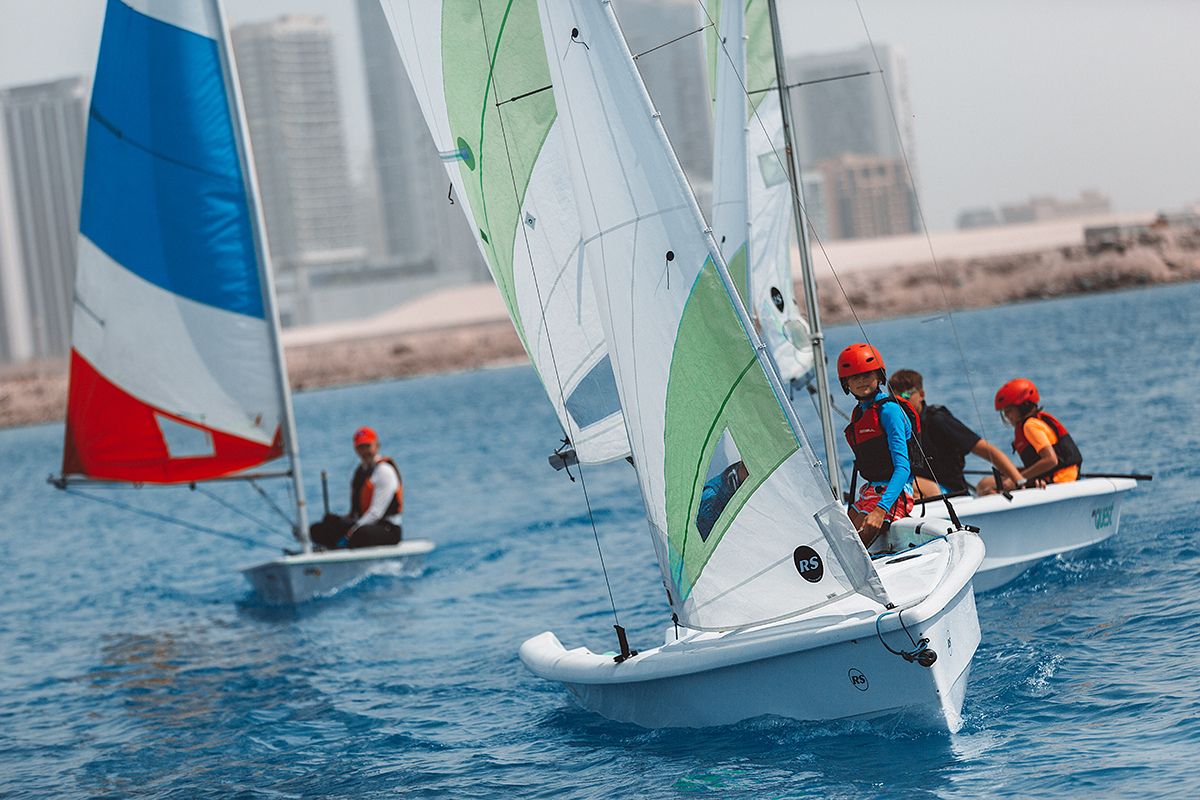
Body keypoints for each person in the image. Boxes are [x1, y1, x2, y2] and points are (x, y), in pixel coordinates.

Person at [887, 369, 1024, 497]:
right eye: (895, 400)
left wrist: (1019, 481)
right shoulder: (895, 427)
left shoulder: (937, 419)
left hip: (952, 493)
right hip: (925, 492)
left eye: (905, 396)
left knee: (903, 482)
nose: (900, 404)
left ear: (921, 395)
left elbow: (988, 450)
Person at [838, 343, 918, 547]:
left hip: (895, 494)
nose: (861, 381)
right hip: (870, 491)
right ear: (846, 383)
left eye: (867, 374)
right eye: (854, 377)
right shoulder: (859, 414)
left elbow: (903, 468)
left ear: (879, 376)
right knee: (838, 534)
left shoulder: (890, 412)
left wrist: (881, 509)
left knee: (854, 543)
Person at [309, 426, 404, 549]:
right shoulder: (360, 472)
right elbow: (355, 514)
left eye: (367, 446)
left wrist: (351, 532)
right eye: (360, 447)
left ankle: (344, 546)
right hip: (364, 524)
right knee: (318, 528)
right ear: (355, 449)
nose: (364, 451)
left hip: (387, 528)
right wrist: (337, 522)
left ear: (377, 446)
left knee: (360, 534)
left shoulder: (384, 471)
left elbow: (376, 514)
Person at [988, 378, 1082, 489]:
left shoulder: (1030, 426)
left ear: (1022, 407)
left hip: (1059, 480)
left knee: (986, 485)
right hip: (1063, 476)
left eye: (1009, 411)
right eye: (1004, 412)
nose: (1007, 416)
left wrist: (1019, 478)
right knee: (998, 478)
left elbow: (1050, 460)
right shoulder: (1036, 421)